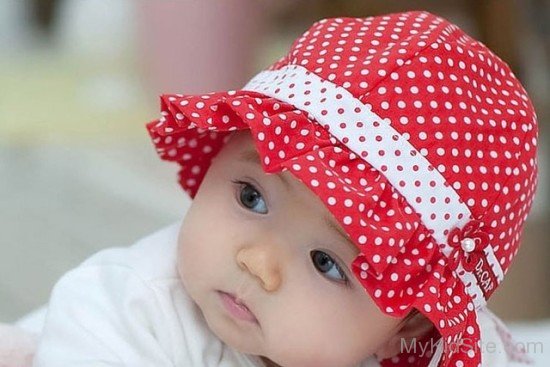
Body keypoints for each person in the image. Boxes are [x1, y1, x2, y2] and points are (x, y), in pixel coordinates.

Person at [32, 10, 538, 367]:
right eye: (251, 196)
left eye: (327, 263)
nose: (258, 263)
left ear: (410, 327)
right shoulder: (124, 308)